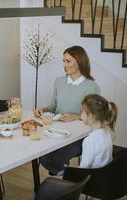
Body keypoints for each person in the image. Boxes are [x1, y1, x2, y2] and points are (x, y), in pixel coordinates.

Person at [34, 46, 101, 176]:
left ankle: (66, 182)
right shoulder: (59, 81)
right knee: (43, 158)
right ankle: (67, 180)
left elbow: (95, 116)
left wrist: (76, 117)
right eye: (63, 61)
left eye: (68, 61)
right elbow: (52, 107)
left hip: (80, 136)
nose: (64, 64)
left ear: (79, 61)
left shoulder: (92, 87)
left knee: (58, 158)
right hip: (56, 131)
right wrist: (42, 110)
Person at [80, 94, 117, 168]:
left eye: (82, 112)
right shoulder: (107, 132)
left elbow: (84, 168)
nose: (80, 114)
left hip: (92, 177)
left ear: (90, 116)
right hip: (104, 174)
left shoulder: (89, 141)